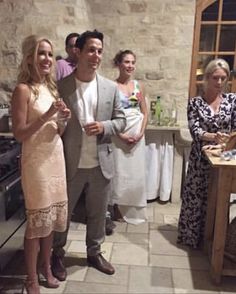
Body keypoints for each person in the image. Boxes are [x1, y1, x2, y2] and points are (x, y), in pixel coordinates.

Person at [51, 30, 126, 280]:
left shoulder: (110, 87)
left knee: (97, 213)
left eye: (100, 51)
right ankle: (56, 254)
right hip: (69, 164)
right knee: (63, 214)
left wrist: (105, 126)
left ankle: (94, 253)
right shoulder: (61, 87)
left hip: (100, 163)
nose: (96, 55)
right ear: (78, 52)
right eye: (91, 50)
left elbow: (122, 120)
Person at [11, 35, 70, 294]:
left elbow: (57, 130)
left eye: (49, 54)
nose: (47, 59)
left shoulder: (50, 89)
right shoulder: (23, 89)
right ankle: (31, 278)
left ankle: (46, 268)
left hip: (55, 158)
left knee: (51, 219)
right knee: (37, 222)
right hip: (35, 163)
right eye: (41, 54)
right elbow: (20, 134)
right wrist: (47, 115)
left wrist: (63, 120)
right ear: (29, 58)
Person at [177, 58, 236, 249]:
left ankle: (216, 240)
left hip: (224, 157)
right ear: (207, 78)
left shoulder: (232, 101)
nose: (218, 83)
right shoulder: (195, 103)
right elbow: (195, 131)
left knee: (219, 197)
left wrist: (224, 142)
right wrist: (213, 136)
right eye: (215, 78)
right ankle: (192, 237)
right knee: (196, 197)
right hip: (200, 158)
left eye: (222, 78)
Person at [110, 49, 148, 224]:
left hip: (137, 135)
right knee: (120, 171)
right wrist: (122, 136)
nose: (130, 66)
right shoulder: (111, 87)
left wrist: (141, 132)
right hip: (119, 136)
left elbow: (145, 112)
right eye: (126, 62)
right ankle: (117, 207)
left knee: (136, 172)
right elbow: (108, 116)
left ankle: (134, 208)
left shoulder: (139, 86)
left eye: (133, 62)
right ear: (118, 64)